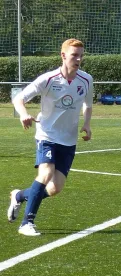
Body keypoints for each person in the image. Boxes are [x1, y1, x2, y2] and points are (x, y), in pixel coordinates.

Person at [8, 38, 93, 236]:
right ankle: (26, 223)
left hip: (69, 139)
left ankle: (19, 195)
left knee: (55, 188)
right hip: (46, 135)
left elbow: (87, 104)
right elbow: (18, 98)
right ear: (63, 56)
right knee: (45, 175)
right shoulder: (48, 79)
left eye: (81, 55)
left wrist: (87, 124)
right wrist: (23, 114)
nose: (78, 59)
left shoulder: (86, 79)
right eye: (74, 55)